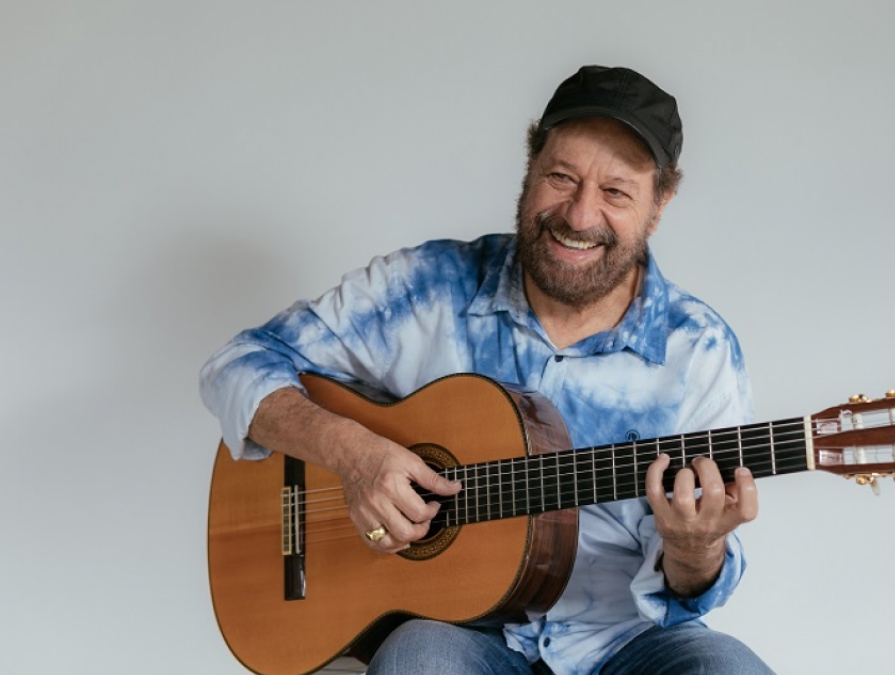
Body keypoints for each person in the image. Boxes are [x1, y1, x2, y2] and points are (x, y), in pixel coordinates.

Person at [200, 65, 775, 675]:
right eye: (561, 177)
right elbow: (235, 367)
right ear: (530, 168)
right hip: (458, 634)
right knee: (419, 660)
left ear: (658, 206)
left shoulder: (699, 350)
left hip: (623, 642)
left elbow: (692, 588)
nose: (580, 215)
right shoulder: (426, 288)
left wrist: (694, 547)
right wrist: (353, 454)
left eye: (616, 192)